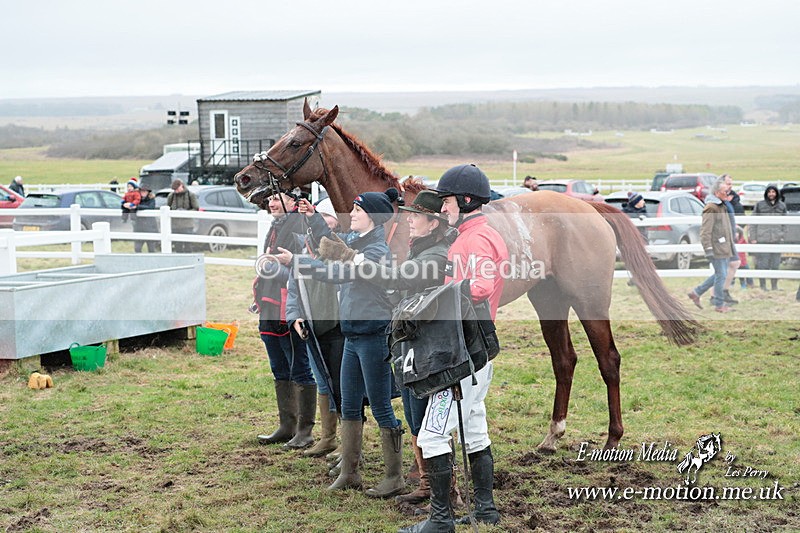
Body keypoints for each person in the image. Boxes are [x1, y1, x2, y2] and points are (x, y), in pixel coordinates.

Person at [401, 164, 508, 532]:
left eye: (446, 201)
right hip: (473, 347)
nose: (443, 208)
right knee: (474, 427)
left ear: (464, 201)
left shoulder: (474, 240)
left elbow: (478, 286)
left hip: (461, 350)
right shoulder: (473, 234)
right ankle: (485, 509)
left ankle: (440, 521)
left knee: (432, 434)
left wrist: (430, 301)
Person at [336, 190, 458, 507]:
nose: (410, 221)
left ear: (433, 224)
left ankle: (440, 490)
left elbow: (399, 279)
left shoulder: (435, 256)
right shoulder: (422, 250)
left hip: (427, 346)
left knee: (425, 419)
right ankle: (427, 483)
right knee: (416, 416)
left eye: (415, 216)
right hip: (412, 344)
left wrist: (358, 262)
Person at [295, 188, 405, 498]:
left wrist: (303, 264)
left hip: (373, 338)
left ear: (372, 217)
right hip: (353, 337)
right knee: (350, 405)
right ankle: (349, 471)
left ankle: (393, 476)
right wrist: (313, 218)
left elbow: (340, 272)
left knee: (382, 406)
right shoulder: (359, 242)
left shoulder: (376, 252)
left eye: (357, 211)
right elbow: (335, 244)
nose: (351, 215)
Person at [282, 196, 346, 458]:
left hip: (337, 328)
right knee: (322, 382)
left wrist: (297, 261)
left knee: (342, 385)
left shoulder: (338, 254)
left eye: (330, 224)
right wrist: (294, 316)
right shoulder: (306, 252)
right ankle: (328, 437)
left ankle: (347, 442)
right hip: (313, 329)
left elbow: (326, 269)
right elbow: (294, 288)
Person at [254, 192, 316, 449]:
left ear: (293, 202)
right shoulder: (276, 225)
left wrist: (275, 269)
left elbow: (306, 268)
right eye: (269, 199)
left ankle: (304, 431)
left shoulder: (299, 225)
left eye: (277, 198)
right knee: (279, 367)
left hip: (288, 307)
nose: (271, 202)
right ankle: (287, 425)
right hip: (269, 305)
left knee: (298, 366)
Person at [687, 178, 735, 313]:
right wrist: (708, 249)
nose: (728, 193)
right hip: (716, 248)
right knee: (721, 275)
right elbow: (705, 231)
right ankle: (719, 305)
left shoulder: (720, 205)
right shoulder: (712, 208)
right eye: (726, 191)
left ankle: (696, 293)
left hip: (722, 247)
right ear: (717, 192)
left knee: (720, 274)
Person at [749, 184, 786, 291]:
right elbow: (753, 222)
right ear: (766, 193)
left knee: (775, 265)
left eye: (773, 192)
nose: (771, 194)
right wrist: (753, 237)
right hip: (762, 239)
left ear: (776, 193)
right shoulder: (760, 205)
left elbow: (785, 223)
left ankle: (774, 286)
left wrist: (783, 236)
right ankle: (763, 286)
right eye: (769, 192)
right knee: (762, 264)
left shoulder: (782, 206)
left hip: (777, 239)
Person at [720, 174, 741, 305]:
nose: (730, 186)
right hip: (724, 238)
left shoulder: (727, 199)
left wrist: (736, 229)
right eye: (728, 183)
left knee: (731, 264)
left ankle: (722, 292)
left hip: (730, 237)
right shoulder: (719, 200)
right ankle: (720, 293)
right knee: (729, 265)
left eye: (731, 184)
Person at [166, 179, 199, 252]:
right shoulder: (171, 196)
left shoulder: (191, 195)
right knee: (178, 247)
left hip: (187, 225)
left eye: (177, 189)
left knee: (188, 246)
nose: (176, 191)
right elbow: (167, 208)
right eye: (174, 190)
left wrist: (185, 213)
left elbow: (196, 208)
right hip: (175, 226)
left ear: (182, 185)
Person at [133, 185, 159, 253]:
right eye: (141, 191)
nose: (143, 193)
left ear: (148, 192)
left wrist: (138, 207)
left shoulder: (151, 199)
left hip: (150, 227)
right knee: (137, 248)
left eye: (144, 191)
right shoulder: (137, 199)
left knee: (151, 249)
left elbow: (150, 207)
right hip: (139, 228)